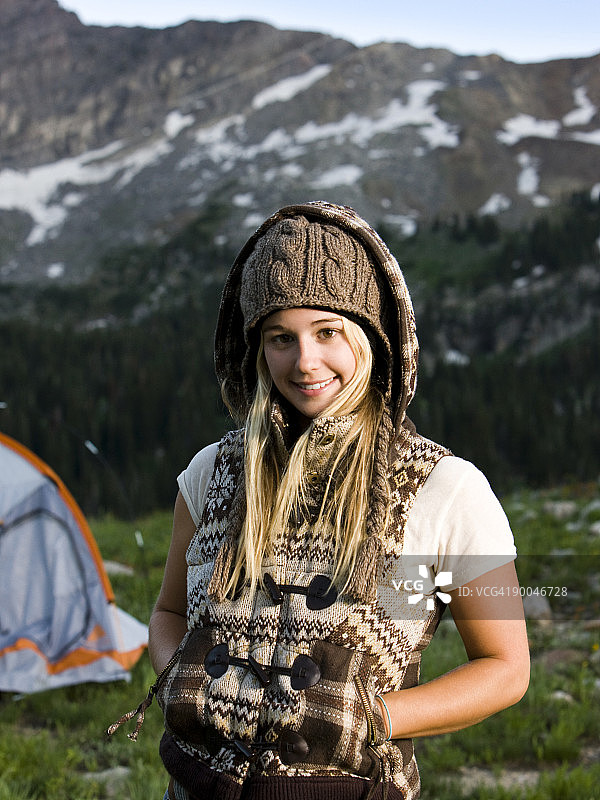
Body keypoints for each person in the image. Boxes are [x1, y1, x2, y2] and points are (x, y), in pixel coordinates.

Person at [145, 201, 530, 800]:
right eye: (280, 338)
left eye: (328, 332)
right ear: (255, 348)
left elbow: (506, 667)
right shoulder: (210, 475)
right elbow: (168, 614)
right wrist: (177, 682)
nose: (305, 362)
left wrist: (378, 719)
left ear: (372, 334)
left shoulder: (445, 488)